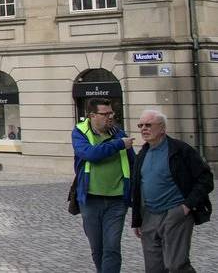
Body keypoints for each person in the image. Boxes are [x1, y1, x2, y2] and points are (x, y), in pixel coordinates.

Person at [130, 109, 213, 273]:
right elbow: (137, 188)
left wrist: (187, 206)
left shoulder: (180, 150)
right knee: (154, 268)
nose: (143, 129)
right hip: (149, 216)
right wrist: (137, 220)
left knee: (176, 266)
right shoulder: (142, 154)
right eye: (141, 125)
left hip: (175, 212)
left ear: (162, 128)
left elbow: (206, 179)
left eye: (148, 125)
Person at [72, 98, 135, 273]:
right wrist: (119, 144)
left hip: (117, 201)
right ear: (92, 115)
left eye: (111, 113)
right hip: (90, 200)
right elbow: (90, 154)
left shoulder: (118, 133)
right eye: (105, 114)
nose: (110, 117)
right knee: (97, 248)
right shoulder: (80, 133)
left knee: (112, 247)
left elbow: (133, 163)